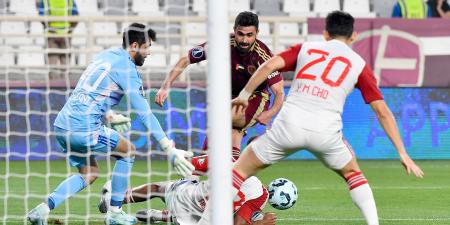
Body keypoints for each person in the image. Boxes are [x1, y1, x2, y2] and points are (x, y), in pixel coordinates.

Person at [230, 11, 424, 225]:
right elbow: (382, 111)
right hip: (325, 132)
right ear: (353, 37)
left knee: (238, 170)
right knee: (353, 173)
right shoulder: (359, 64)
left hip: (289, 126)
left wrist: (244, 95)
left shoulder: (306, 48)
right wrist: (402, 152)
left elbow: (268, 66)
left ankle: (209, 217)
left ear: (325, 34)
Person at [26, 23, 194, 225]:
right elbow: (145, 113)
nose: (148, 52)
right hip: (84, 126)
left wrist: (111, 115)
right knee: (128, 151)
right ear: (134, 46)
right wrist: (168, 148)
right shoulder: (127, 69)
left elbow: (88, 91)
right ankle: (115, 212)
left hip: (63, 124)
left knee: (89, 173)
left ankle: (42, 210)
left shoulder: (105, 56)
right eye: (147, 47)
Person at [155, 11, 284, 159]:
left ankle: (194, 171)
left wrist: (270, 114)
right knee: (233, 134)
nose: (244, 40)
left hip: (256, 98)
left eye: (250, 35)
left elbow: (279, 92)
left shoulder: (264, 56)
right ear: (234, 30)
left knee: (221, 118)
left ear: (257, 33)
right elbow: (185, 59)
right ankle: (229, 175)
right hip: (230, 97)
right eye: (240, 34)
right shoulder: (219, 44)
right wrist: (166, 86)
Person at [98, 175, 276, 225]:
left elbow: (199, 169)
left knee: (156, 189)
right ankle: (163, 216)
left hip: (185, 194)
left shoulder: (234, 166)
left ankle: (114, 199)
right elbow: (238, 223)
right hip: (195, 219)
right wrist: (260, 224)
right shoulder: (260, 193)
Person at [38, 0, 79, 78]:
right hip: (66, 33)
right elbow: (75, 16)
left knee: (52, 62)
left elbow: (41, 16)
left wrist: (48, 27)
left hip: (51, 33)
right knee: (65, 62)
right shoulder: (69, 1)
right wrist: (70, 29)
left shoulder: (45, 1)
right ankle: (65, 85)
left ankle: (53, 85)